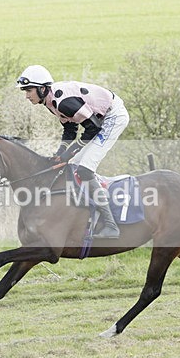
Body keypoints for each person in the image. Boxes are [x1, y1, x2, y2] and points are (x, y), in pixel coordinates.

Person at [16, 64, 130, 239]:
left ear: (42, 88)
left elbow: (93, 128)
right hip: (99, 120)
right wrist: (60, 152)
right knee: (76, 167)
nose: (26, 96)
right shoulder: (49, 101)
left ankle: (110, 225)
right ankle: (89, 209)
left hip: (112, 116)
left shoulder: (63, 102)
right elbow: (70, 129)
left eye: (28, 90)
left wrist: (68, 155)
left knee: (84, 169)